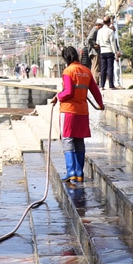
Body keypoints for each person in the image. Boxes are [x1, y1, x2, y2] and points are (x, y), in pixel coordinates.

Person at [50, 46, 104, 183]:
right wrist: (100, 104)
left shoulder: (68, 71)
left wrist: (58, 96)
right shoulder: (86, 71)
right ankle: (79, 172)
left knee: (67, 140)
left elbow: (68, 92)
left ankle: (71, 171)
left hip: (69, 111)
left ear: (66, 58)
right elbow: (95, 90)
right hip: (82, 111)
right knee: (79, 140)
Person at [95, 16, 120, 89]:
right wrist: (115, 53)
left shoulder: (99, 31)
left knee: (103, 69)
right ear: (109, 22)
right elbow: (113, 43)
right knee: (110, 68)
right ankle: (111, 85)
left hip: (102, 51)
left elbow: (97, 42)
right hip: (109, 51)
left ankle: (102, 85)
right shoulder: (110, 31)